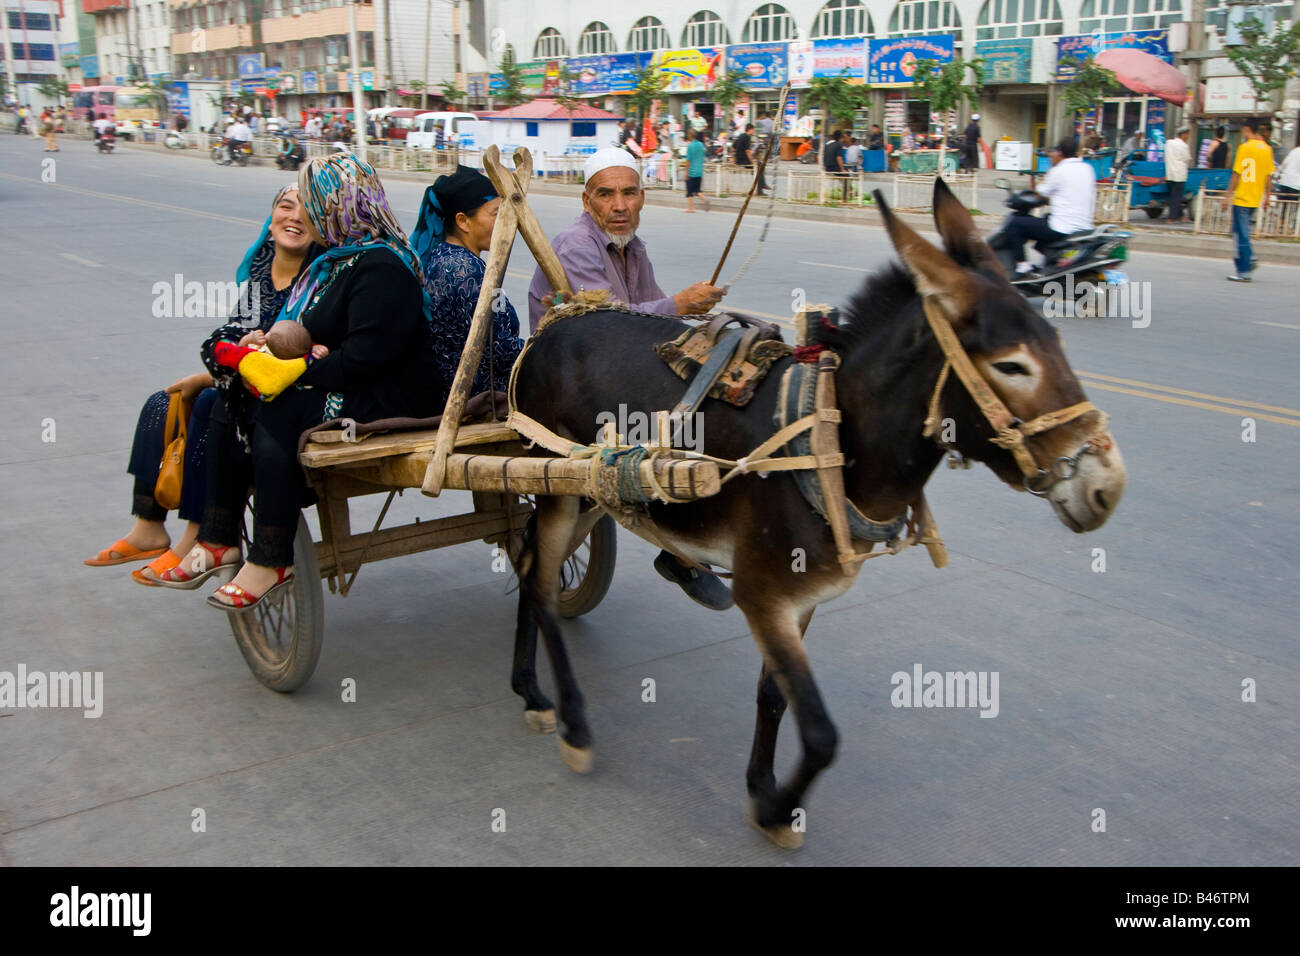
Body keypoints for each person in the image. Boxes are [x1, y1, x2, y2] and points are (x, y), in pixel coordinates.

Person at [178, 155, 441, 609]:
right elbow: (319, 339)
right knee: (230, 397)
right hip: (353, 380)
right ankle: (218, 535)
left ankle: (272, 557)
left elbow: (364, 359)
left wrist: (297, 368)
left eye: (312, 203)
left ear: (335, 207)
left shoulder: (380, 265)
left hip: (394, 394)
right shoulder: (337, 262)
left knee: (281, 407)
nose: (305, 215)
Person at [526, 147, 732, 610]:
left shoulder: (633, 247)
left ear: (642, 197)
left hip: (611, 371)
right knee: (675, 431)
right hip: (564, 383)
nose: (619, 205)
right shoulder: (576, 245)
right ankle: (681, 551)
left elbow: (652, 317)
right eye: (606, 194)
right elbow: (609, 322)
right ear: (587, 200)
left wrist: (695, 319)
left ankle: (685, 548)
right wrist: (679, 305)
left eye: (629, 193)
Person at [86, 184, 317, 584]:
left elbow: (283, 354)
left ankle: (195, 534)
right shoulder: (261, 274)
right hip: (241, 379)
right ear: (271, 216)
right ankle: (149, 526)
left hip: (277, 397)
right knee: (164, 401)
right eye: (285, 206)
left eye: (307, 211)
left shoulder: (318, 280)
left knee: (211, 403)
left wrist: (221, 368)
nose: (294, 217)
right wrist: (214, 367)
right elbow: (223, 340)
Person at [411, 166, 524, 406]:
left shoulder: (441, 256)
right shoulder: (465, 270)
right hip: (475, 401)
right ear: (463, 221)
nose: (504, 222)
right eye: (495, 214)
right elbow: (499, 351)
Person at [1006, 137, 1095, 274]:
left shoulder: (1059, 170)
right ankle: (1049, 264)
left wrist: (1052, 167)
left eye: (1053, 152)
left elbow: (1040, 192)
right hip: (1084, 227)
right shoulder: (1087, 168)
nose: (1050, 155)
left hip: (1062, 227)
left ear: (1059, 153)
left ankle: (1022, 266)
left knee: (1014, 223)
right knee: (1046, 219)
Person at [1221, 118, 1275, 283]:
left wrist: (1227, 195)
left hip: (1242, 198)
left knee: (1240, 235)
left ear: (1246, 129)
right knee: (1242, 233)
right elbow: (1269, 176)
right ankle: (1250, 257)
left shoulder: (1244, 148)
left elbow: (1236, 173)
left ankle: (1244, 271)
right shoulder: (1267, 149)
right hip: (1255, 198)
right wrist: (1267, 197)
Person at [1164, 127, 1191, 222]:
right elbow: (1187, 158)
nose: (1188, 137)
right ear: (1183, 134)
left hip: (1169, 174)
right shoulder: (1184, 146)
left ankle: (1181, 216)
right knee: (1176, 197)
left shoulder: (1168, 143)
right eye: (1187, 134)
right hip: (1179, 175)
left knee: (1173, 196)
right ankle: (1171, 217)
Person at [733, 122, 768, 195]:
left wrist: (735, 158)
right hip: (744, 160)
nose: (754, 131)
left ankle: (763, 185)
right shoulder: (747, 137)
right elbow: (748, 152)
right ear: (749, 130)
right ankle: (760, 190)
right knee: (759, 167)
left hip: (739, 160)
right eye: (753, 130)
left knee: (759, 166)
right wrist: (752, 162)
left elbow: (733, 147)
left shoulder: (741, 135)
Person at [684, 126, 709, 213]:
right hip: (699, 171)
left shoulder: (690, 146)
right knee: (698, 190)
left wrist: (686, 172)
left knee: (690, 191)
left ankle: (691, 208)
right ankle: (705, 200)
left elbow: (688, 160)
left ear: (690, 136)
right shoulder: (701, 145)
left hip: (692, 172)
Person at [824, 129, 849, 201]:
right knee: (846, 176)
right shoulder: (839, 145)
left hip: (827, 167)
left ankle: (849, 191)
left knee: (842, 177)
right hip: (834, 167)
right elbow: (839, 158)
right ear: (840, 138)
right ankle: (845, 198)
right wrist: (842, 169)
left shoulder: (827, 144)